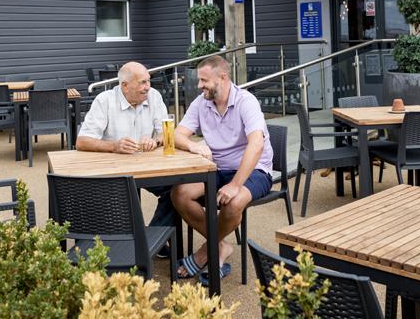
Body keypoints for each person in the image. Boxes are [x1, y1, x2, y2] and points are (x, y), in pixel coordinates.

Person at [172, 55, 274, 284]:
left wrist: (235, 185)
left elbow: (256, 145)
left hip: (254, 170)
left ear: (223, 78)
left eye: (204, 80)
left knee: (234, 202)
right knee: (179, 194)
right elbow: (177, 134)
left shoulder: (246, 101)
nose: (199, 86)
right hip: (217, 168)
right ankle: (221, 247)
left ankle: (203, 254)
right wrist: (192, 145)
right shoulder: (201, 102)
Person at [76, 61, 175, 228]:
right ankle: (137, 242)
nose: (148, 87)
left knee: (178, 189)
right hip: (114, 172)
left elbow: (167, 133)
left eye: (148, 81)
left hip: (148, 168)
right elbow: (82, 141)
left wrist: (155, 140)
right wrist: (114, 146)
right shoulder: (105, 100)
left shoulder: (154, 96)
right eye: (142, 82)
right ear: (125, 86)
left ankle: (151, 239)